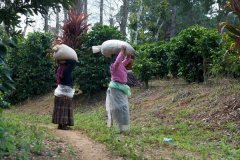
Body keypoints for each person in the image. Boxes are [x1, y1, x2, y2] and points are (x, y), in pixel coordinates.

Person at [106, 45, 132, 133]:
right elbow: (118, 61)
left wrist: (128, 55)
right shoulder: (114, 66)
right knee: (119, 108)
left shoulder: (120, 65)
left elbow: (127, 60)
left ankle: (124, 128)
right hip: (115, 88)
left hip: (121, 87)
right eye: (119, 57)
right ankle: (119, 128)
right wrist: (121, 52)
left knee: (124, 107)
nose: (121, 59)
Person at [52, 59, 76, 130]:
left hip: (59, 92)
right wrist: (67, 60)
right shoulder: (67, 69)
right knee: (65, 109)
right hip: (66, 92)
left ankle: (60, 124)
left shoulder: (59, 68)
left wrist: (62, 60)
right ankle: (64, 125)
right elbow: (73, 61)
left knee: (59, 109)